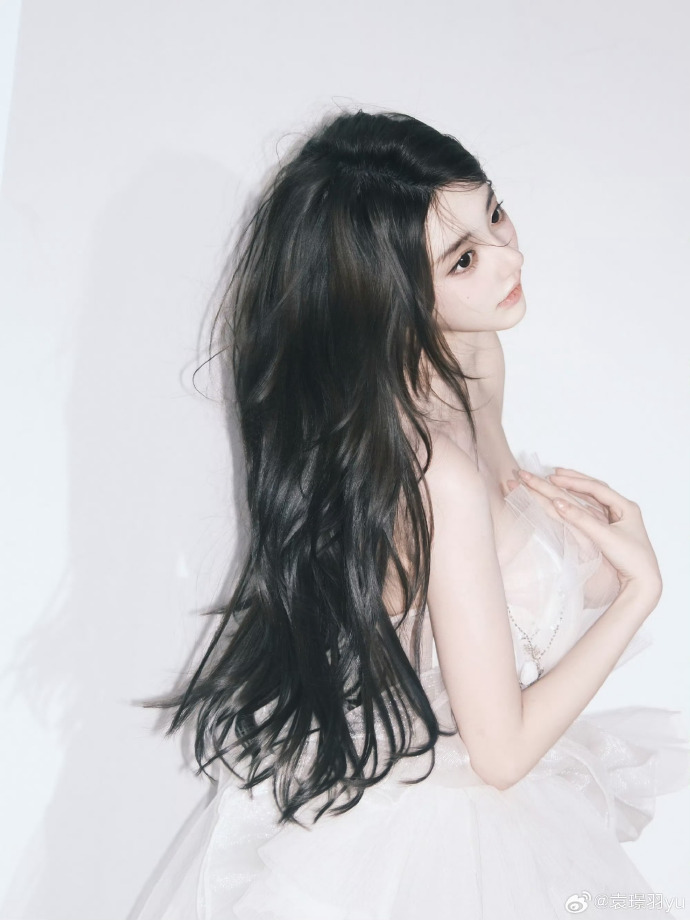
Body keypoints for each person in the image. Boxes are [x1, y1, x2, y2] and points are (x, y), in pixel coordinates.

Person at [131, 109, 690, 919]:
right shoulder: (430, 472)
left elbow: (505, 583)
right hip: (429, 850)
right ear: (388, 293)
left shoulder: (473, 361)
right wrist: (639, 591)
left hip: (490, 826)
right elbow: (501, 752)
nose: (509, 256)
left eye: (495, 213)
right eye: (464, 258)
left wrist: (592, 553)